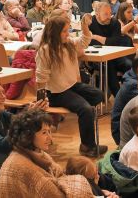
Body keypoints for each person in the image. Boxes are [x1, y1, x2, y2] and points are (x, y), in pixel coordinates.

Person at [36, 14, 107, 157]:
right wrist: (41, 98)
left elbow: (85, 40)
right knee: (86, 110)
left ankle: (84, 115)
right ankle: (87, 146)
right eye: (64, 31)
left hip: (71, 86)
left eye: (67, 31)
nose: (67, 34)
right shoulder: (46, 50)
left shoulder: (68, 43)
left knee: (99, 95)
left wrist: (84, 26)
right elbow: (41, 76)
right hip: (55, 93)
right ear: (55, 32)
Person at [0, 109, 93, 198]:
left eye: (49, 132)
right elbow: (55, 195)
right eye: (44, 133)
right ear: (28, 135)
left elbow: (59, 173)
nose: (50, 138)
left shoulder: (35, 152)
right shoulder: (22, 165)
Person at [89, 2, 131, 96]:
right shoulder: (90, 23)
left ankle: (130, 93)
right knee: (109, 66)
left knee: (130, 65)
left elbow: (115, 42)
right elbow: (91, 43)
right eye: (106, 14)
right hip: (98, 58)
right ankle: (119, 97)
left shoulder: (114, 22)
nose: (109, 16)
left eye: (110, 13)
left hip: (115, 55)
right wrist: (106, 41)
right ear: (97, 14)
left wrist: (95, 36)